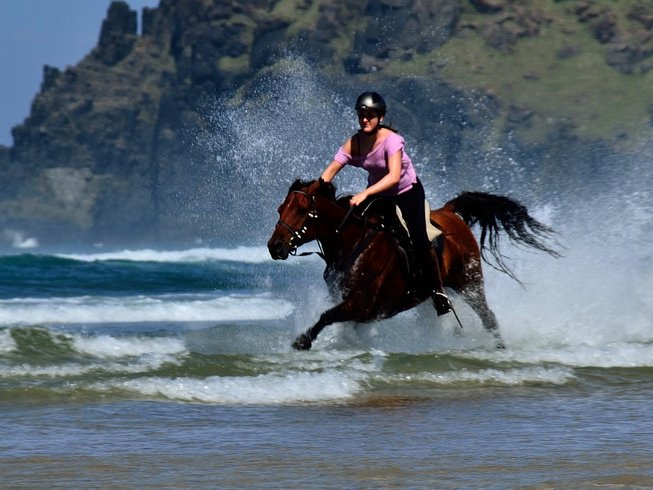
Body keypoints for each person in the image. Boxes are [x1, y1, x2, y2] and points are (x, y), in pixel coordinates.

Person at [320, 91, 452, 316]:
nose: (364, 119)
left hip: (407, 192)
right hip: (380, 195)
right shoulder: (355, 143)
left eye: (370, 115)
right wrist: (313, 192)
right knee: (351, 223)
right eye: (361, 115)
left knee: (419, 239)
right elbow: (328, 173)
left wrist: (364, 194)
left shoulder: (392, 140)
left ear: (380, 117)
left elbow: (392, 177)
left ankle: (438, 292)